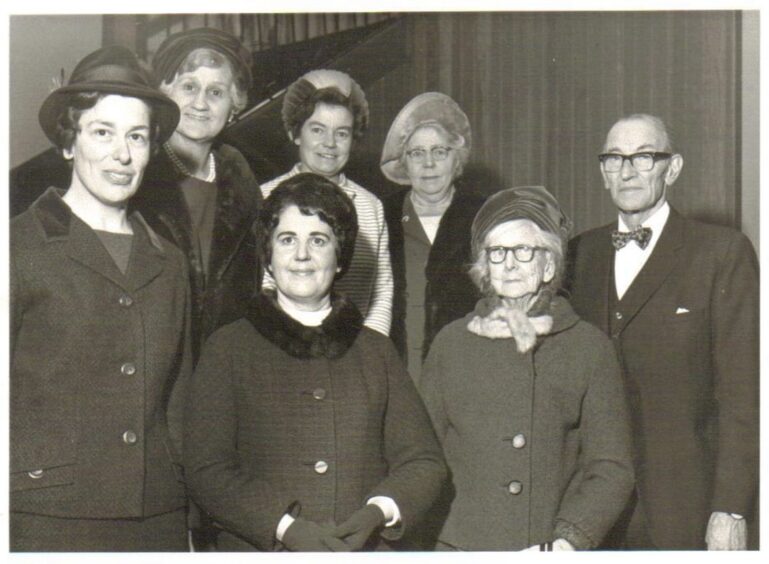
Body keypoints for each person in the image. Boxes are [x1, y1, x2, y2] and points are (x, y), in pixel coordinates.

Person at [183, 173, 446, 551]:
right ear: (268, 256)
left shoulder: (376, 351)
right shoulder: (227, 348)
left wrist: (380, 510)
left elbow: (423, 461)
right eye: (287, 240)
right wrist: (283, 526)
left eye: (318, 240)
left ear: (340, 257)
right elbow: (207, 470)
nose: (301, 255)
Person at [10, 45, 189, 551]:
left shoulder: (170, 261)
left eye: (137, 136)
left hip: (157, 517)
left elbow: (181, 399)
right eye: (102, 132)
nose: (123, 154)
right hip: (43, 515)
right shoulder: (17, 247)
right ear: (69, 142)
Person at [566, 114, 759, 550]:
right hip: (590, 507)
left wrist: (730, 507)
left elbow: (744, 394)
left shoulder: (721, 253)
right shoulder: (578, 254)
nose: (628, 171)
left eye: (644, 157)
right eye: (615, 158)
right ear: (603, 172)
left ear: (672, 168)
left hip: (685, 504)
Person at [420, 186, 634, 551]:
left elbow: (611, 467)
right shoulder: (450, 344)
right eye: (497, 252)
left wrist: (569, 540)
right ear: (483, 268)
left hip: (547, 546)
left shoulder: (588, 347)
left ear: (549, 265)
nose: (510, 264)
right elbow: (423, 457)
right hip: (459, 545)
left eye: (524, 251)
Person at [130, 27, 262, 361]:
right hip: (149, 362)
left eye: (216, 92)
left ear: (234, 106)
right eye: (189, 87)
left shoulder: (242, 179)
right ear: (164, 93)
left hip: (226, 364)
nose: (200, 103)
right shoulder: (133, 172)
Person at [259, 69, 393, 336]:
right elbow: (258, 286)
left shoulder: (371, 206)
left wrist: (370, 352)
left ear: (353, 140)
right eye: (318, 130)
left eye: (342, 133)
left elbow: (382, 291)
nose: (329, 144)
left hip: (353, 348)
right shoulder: (262, 197)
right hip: (279, 343)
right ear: (295, 134)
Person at [380, 92, 485, 381]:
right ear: (404, 162)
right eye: (417, 153)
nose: (429, 164)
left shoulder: (483, 217)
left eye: (440, 152)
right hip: (396, 372)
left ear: (457, 159)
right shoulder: (381, 216)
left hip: (466, 373)